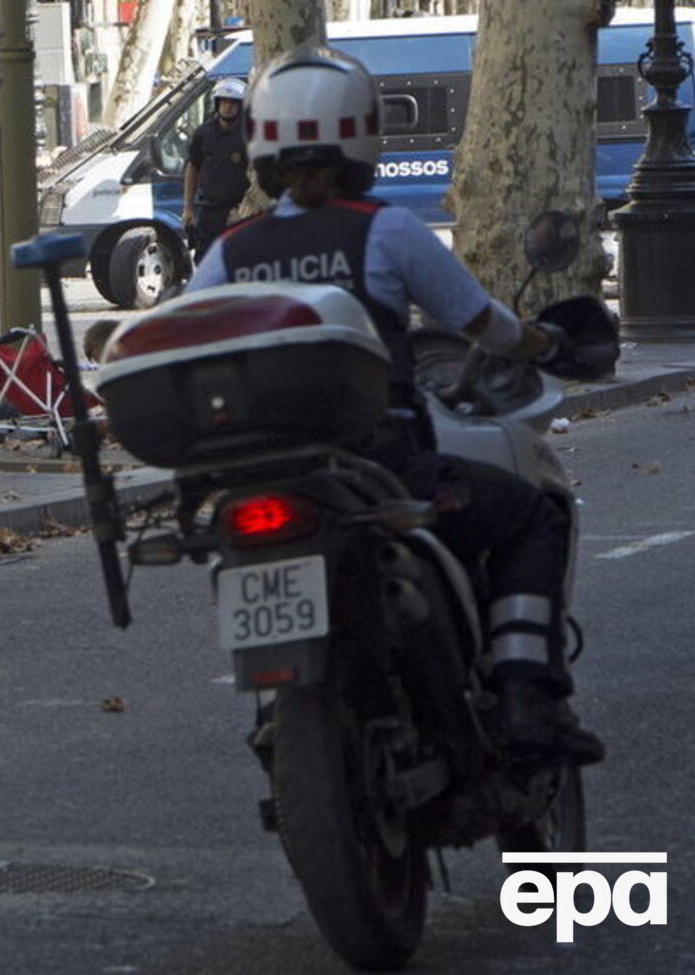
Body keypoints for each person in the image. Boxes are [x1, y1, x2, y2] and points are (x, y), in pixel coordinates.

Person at [187, 47, 603, 766]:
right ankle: (525, 691)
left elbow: (188, 337)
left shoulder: (231, 250)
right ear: (361, 138)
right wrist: (542, 340)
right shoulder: (387, 230)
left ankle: (276, 712)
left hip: (269, 476)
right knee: (536, 514)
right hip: (386, 467)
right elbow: (488, 327)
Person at [182, 77, 249, 262]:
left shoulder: (250, 134)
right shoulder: (204, 133)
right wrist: (188, 208)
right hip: (209, 210)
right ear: (217, 103)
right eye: (224, 102)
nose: (228, 107)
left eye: (233, 103)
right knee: (205, 259)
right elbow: (192, 166)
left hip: (240, 211)